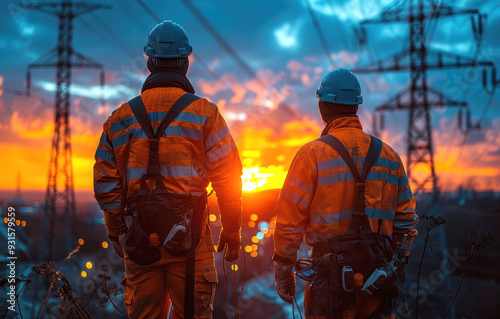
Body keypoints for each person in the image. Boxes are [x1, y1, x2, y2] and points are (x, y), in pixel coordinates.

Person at [93, 20, 242, 319]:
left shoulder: (119, 119)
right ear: (185, 64)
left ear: (149, 62)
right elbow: (228, 178)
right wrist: (232, 230)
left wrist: (117, 233)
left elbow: (105, 186)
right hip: (191, 243)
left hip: (139, 240)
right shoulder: (205, 114)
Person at [273, 68, 418, 318]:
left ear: (322, 107)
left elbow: (288, 223)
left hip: (328, 286)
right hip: (378, 283)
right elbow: (406, 224)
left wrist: (284, 272)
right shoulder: (390, 156)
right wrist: (390, 266)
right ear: (357, 107)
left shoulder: (311, 156)